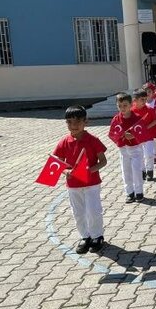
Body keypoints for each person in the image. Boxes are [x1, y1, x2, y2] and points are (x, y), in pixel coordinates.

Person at [53, 106, 108, 254]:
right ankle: (85, 236)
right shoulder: (64, 141)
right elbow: (58, 162)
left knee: (94, 210)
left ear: (86, 122)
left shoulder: (93, 140)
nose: (73, 126)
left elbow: (103, 161)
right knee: (78, 212)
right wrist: (66, 171)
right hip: (73, 184)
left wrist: (90, 170)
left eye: (77, 122)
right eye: (69, 122)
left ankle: (97, 236)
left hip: (92, 183)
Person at [132, 87, 156, 181]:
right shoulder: (131, 112)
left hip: (148, 136)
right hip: (137, 138)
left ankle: (150, 170)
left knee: (149, 154)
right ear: (135, 100)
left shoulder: (149, 109)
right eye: (142, 100)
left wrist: (147, 127)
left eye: (145, 99)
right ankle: (142, 171)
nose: (144, 101)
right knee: (140, 155)